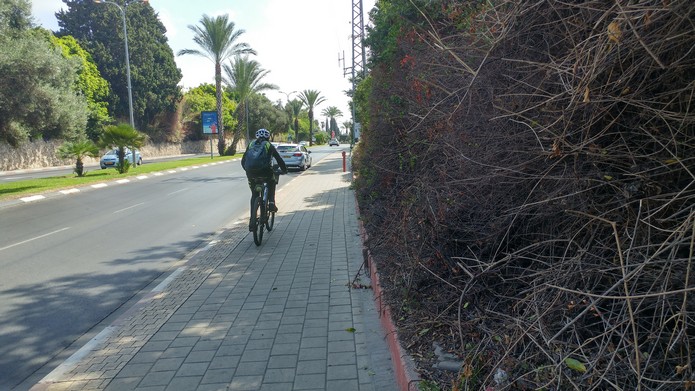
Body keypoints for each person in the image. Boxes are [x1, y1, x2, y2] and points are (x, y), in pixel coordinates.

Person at [241, 129, 287, 224]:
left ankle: (252, 220)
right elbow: (279, 159)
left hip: (251, 174)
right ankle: (271, 203)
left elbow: (243, 161)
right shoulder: (268, 145)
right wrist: (284, 170)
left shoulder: (251, 144)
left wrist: (248, 171)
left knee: (254, 195)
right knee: (272, 181)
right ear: (268, 137)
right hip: (265, 172)